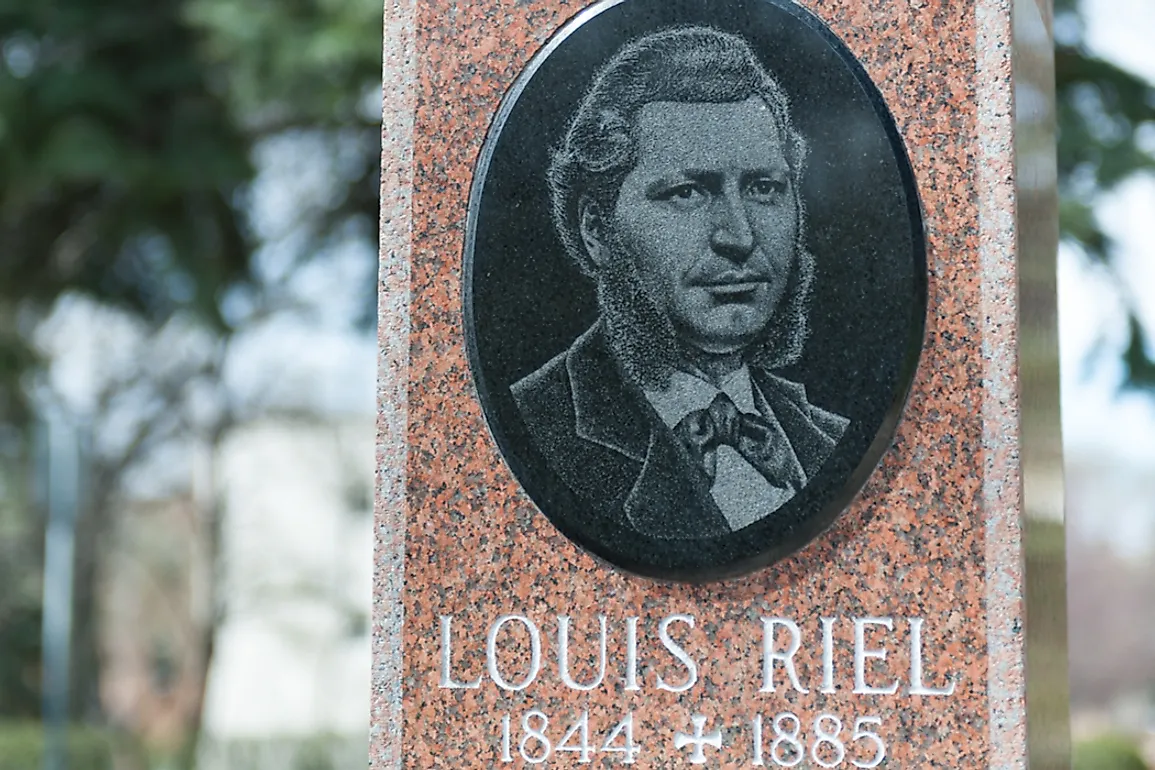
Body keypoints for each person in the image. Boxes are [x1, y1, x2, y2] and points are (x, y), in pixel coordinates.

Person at [511, 26, 848, 541]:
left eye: (764, 188)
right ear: (597, 231)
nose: (738, 236)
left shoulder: (830, 441)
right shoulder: (536, 426)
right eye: (687, 192)